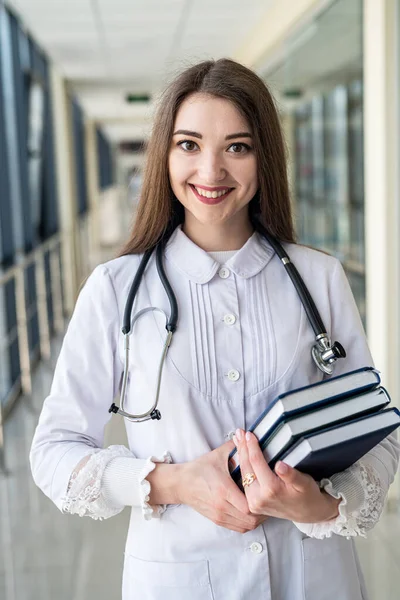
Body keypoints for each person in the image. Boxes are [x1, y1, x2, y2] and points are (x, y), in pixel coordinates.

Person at [30, 58, 400, 600]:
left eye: (237, 147)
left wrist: (318, 505)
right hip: (178, 577)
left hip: (314, 576)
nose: (211, 171)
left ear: (263, 157)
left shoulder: (319, 278)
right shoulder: (115, 289)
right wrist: (174, 483)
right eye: (189, 145)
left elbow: (377, 433)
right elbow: (54, 451)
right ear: (165, 154)